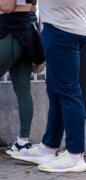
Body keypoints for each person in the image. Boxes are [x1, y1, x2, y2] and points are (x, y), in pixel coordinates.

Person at [11, 0, 86, 173]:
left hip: (62, 28)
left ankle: (75, 154)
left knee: (68, 92)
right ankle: (49, 147)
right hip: (65, 26)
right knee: (56, 92)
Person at [0, 0, 36, 155]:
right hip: (25, 34)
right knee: (23, 90)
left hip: (9, 32)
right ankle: (23, 142)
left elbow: (7, 6)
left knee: (22, 90)